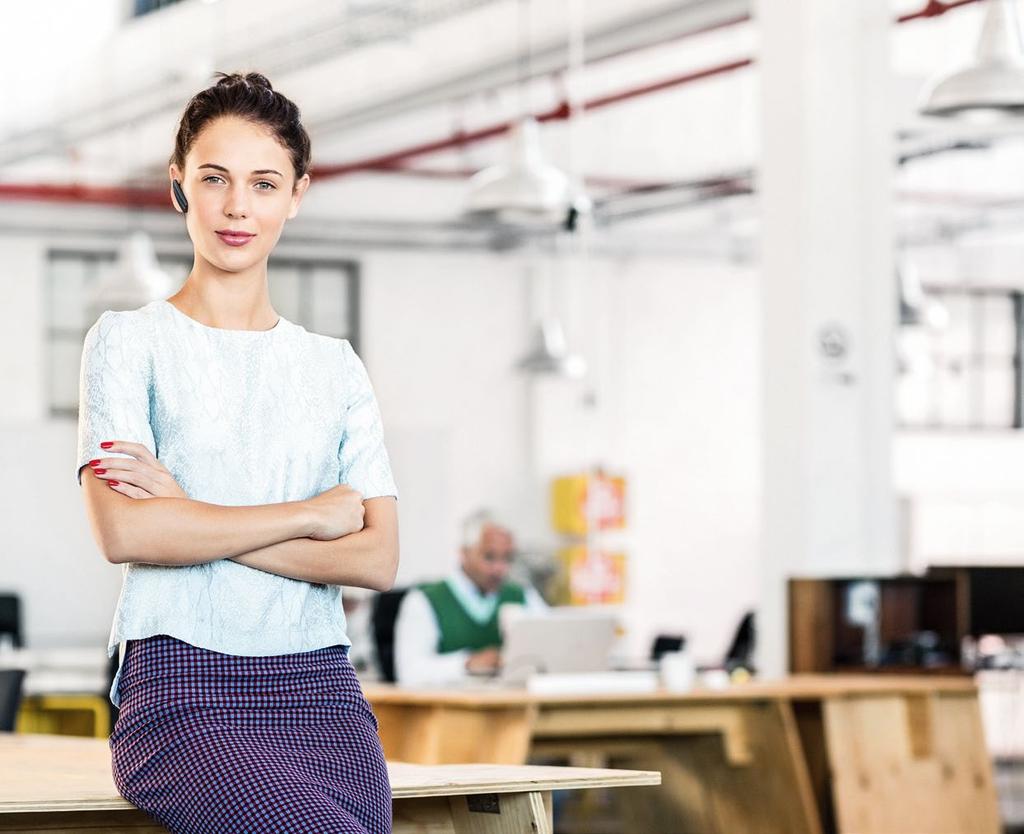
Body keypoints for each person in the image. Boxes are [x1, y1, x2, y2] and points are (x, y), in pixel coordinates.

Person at [76, 72, 398, 834]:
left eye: (263, 182)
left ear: (297, 194)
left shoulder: (335, 367)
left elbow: (376, 559)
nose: (237, 206)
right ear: (179, 185)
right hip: (181, 693)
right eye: (214, 179)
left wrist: (188, 513)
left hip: (323, 690)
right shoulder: (127, 343)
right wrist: (314, 515)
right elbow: (128, 533)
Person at [393, 510, 547, 686]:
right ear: (464, 553)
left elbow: (550, 649)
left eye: (507, 558)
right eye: (489, 557)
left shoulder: (524, 596)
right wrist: (466, 663)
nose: (500, 568)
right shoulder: (424, 601)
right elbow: (409, 673)